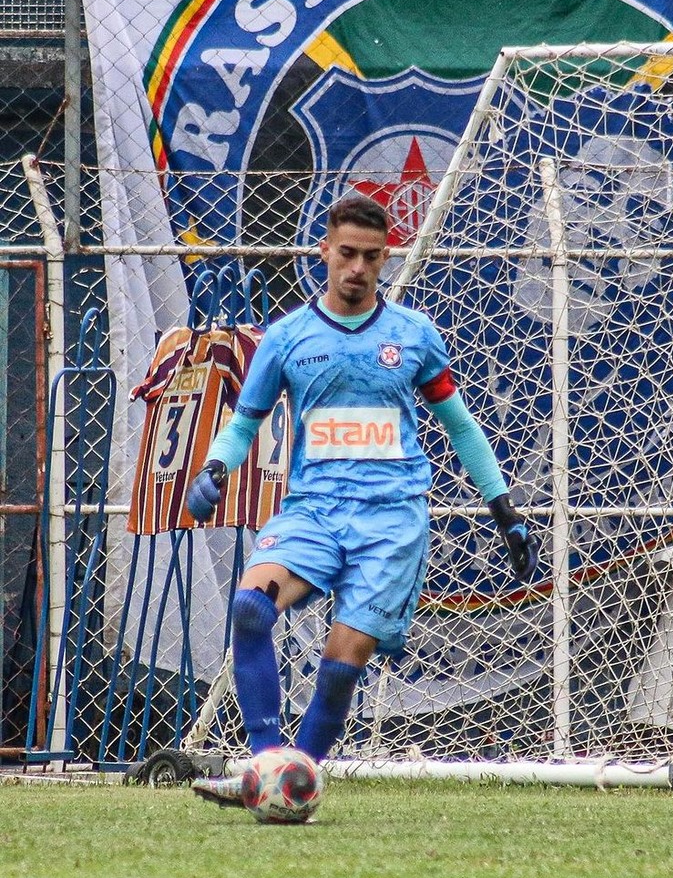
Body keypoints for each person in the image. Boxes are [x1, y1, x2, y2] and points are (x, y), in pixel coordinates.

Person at [188, 194, 536, 807]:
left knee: (342, 656)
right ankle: (269, 762)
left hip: (392, 521)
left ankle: (298, 780)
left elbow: (458, 424)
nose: (357, 267)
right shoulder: (288, 337)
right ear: (324, 251)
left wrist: (503, 507)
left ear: (385, 259)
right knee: (250, 607)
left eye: (371, 257)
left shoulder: (413, 336)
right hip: (314, 511)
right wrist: (215, 466)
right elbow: (245, 422)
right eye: (346, 253)